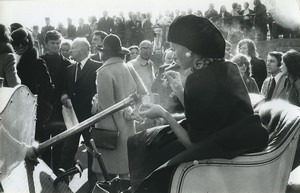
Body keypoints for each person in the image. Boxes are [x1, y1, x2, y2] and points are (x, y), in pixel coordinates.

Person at [127, 15, 269, 193]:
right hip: (246, 138)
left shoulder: (198, 80)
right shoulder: (227, 66)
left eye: (174, 49)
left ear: (190, 51)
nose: (174, 56)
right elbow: (204, 116)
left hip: (230, 148)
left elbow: (194, 145)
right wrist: (179, 89)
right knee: (155, 140)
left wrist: (163, 113)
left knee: (148, 146)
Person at [91, 34, 143, 180]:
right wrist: (133, 112)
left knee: (101, 171)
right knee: (125, 171)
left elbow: (107, 106)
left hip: (109, 130)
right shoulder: (128, 67)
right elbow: (143, 93)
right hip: (128, 126)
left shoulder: (104, 71)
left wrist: (96, 101)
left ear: (105, 53)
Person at [59, 37, 101, 190]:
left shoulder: (98, 67)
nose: (70, 51)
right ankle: (63, 183)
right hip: (72, 118)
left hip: (90, 119)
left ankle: (94, 186)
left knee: (92, 153)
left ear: (83, 50)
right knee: (67, 151)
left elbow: (100, 92)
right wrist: (64, 96)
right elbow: (64, 89)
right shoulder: (69, 69)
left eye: (73, 49)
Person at [11, 28, 53, 164]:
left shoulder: (37, 62)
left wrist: (40, 107)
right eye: (17, 44)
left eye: (24, 43)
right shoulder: (12, 61)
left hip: (35, 113)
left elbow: (48, 88)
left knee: (39, 147)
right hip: (17, 112)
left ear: (29, 43)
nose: (20, 46)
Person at [40, 30, 72, 173]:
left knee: (60, 145)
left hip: (61, 111)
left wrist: (65, 94)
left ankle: (58, 178)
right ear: (46, 44)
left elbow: (69, 87)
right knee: (44, 146)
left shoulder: (68, 64)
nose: (56, 46)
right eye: (52, 43)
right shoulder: (39, 61)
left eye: (58, 43)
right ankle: (45, 176)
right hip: (43, 111)